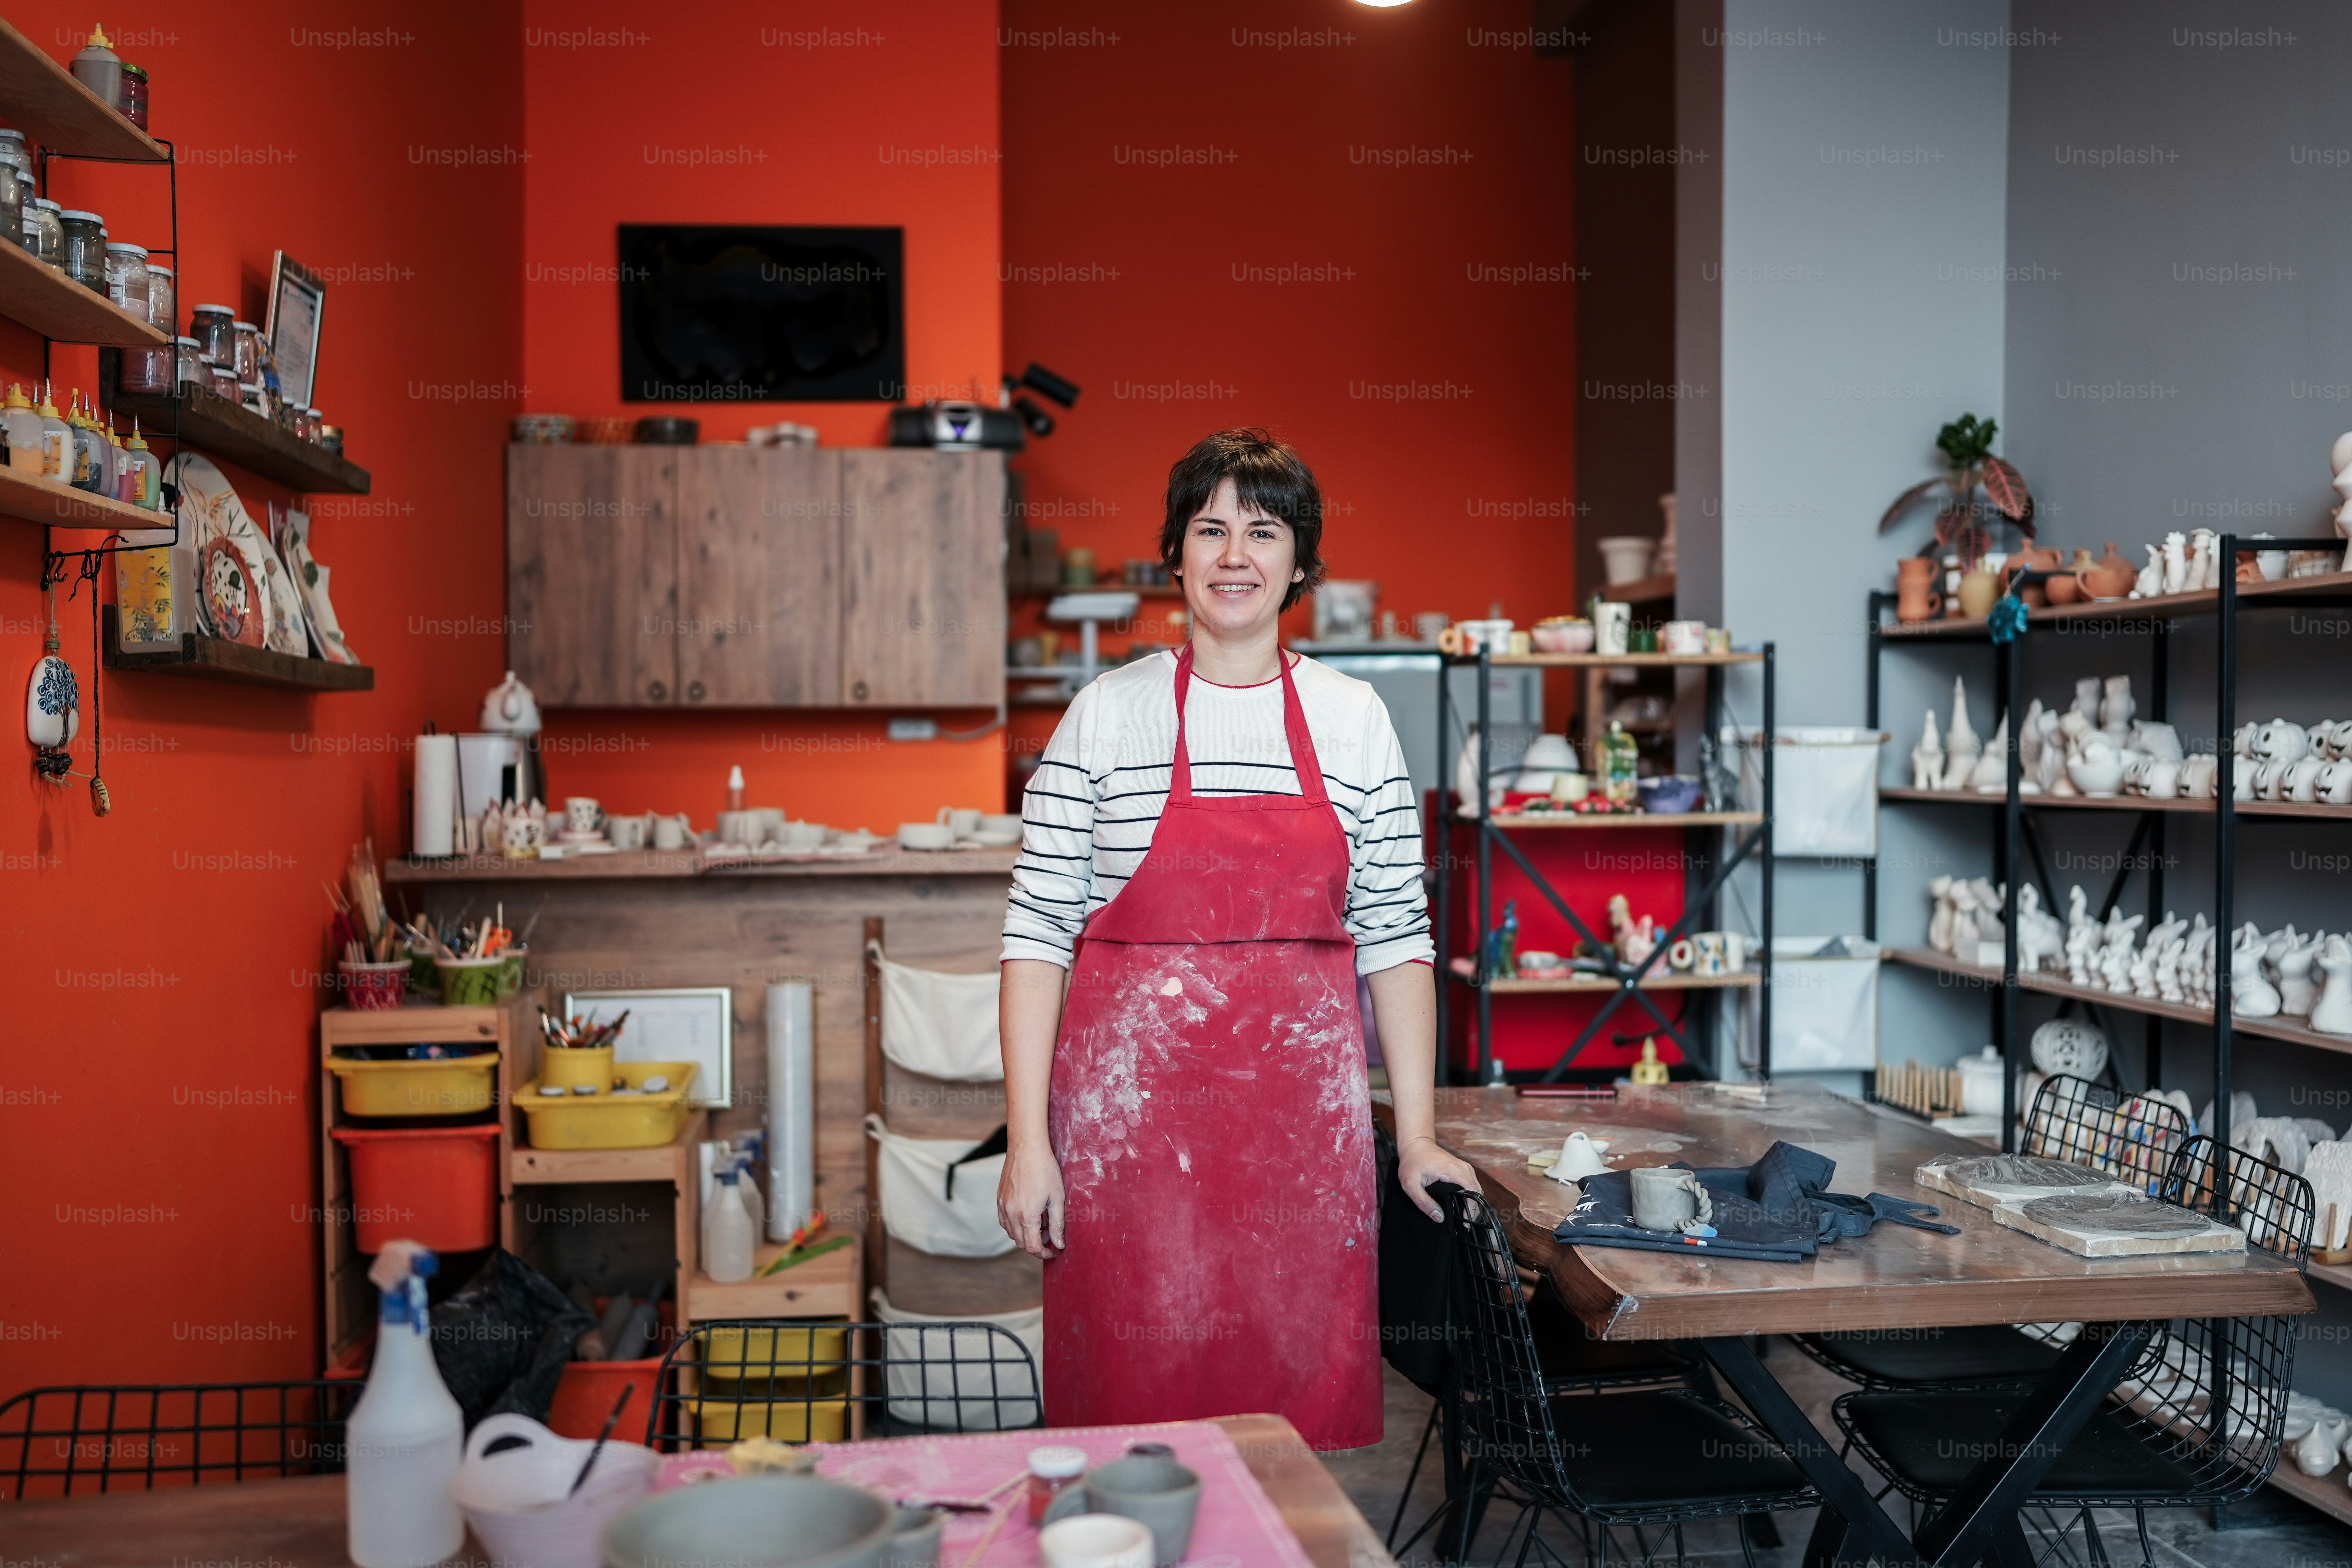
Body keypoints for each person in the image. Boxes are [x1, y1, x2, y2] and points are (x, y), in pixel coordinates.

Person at [997, 427, 1478, 1450]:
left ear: (1299, 565)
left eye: (1264, 533)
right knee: (1129, 1428)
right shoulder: (1104, 716)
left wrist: (1421, 1135)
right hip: (1126, 1138)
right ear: (1175, 553)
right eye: (1209, 529)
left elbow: (1397, 937)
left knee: (1285, 1442)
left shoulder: (1352, 721)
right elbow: (1037, 934)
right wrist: (1031, 1146)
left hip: (1300, 1146)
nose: (1234, 556)